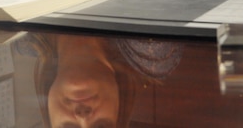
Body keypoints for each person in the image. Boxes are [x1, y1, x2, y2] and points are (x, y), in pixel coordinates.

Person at [19, 32, 183, 127]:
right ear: (120, 108)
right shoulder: (150, 51)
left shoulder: (22, 37)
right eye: (100, 127)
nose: (83, 117)